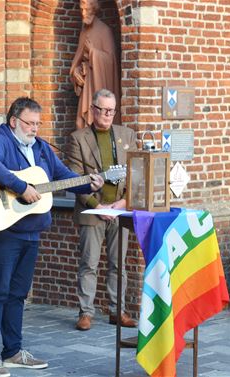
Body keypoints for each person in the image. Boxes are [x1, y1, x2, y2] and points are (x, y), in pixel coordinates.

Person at [0, 97, 104, 377]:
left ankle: (13, 351)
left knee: (18, 294)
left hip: (31, 231)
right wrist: (20, 186)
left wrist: (88, 182)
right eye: (29, 123)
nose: (35, 128)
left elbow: (63, 175)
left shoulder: (42, 149)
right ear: (13, 122)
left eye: (37, 123)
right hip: (5, 231)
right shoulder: (1, 139)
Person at [67, 89, 138, 331]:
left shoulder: (127, 135)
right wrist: (97, 206)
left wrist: (124, 203)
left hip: (120, 210)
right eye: (102, 109)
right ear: (94, 109)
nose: (107, 114)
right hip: (91, 211)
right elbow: (75, 178)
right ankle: (86, 313)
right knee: (89, 264)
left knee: (119, 264)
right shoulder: (78, 138)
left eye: (111, 110)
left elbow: (137, 173)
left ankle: (117, 311)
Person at [70, 0, 121, 129]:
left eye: (86, 10)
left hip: (99, 83)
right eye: (81, 9)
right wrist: (75, 71)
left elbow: (111, 60)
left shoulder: (105, 30)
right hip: (87, 84)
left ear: (94, 9)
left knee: (96, 121)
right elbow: (77, 59)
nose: (83, 13)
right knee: (80, 123)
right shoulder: (84, 32)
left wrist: (93, 52)